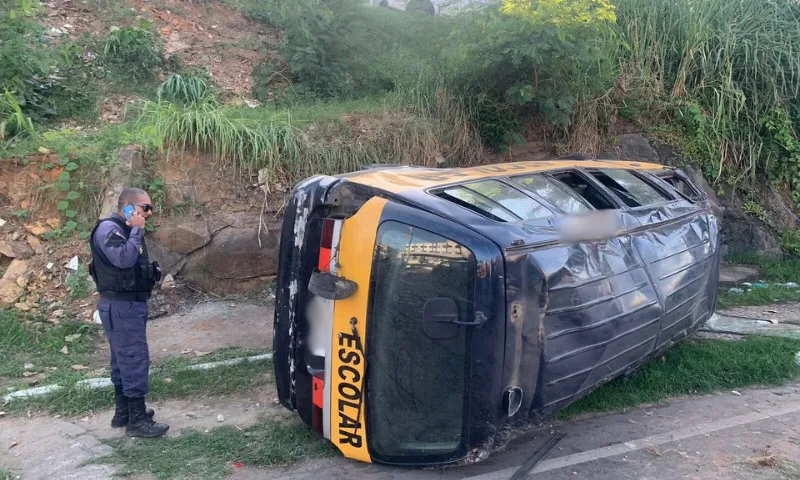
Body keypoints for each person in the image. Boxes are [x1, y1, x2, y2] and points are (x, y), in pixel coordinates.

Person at [88, 187, 169, 438]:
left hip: (125, 305)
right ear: (128, 207)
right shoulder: (109, 229)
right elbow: (123, 259)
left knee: (123, 359)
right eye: (146, 208)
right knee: (133, 358)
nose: (150, 213)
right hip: (121, 306)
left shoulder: (121, 229)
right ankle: (136, 420)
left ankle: (123, 413)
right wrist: (136, 229)